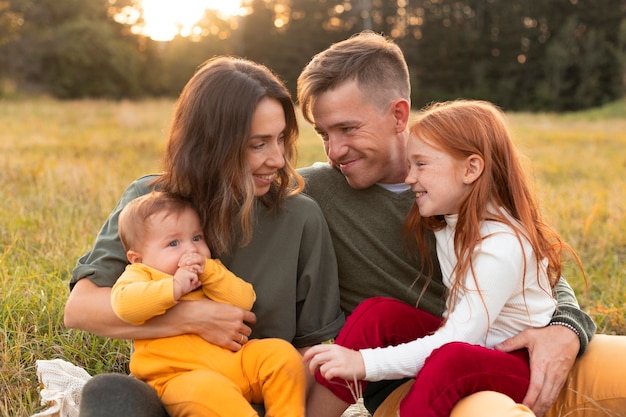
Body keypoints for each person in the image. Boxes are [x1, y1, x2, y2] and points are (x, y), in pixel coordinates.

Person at [296, 31, 625, 417]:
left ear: (399, 115)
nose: (334, 151)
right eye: (323, 133)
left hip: (508, 349)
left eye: (348, 129)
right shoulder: (316, 190)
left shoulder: (461, 194)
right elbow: (229, 187)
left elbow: (539, 270)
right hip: (422, 375)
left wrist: (565, 329)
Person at [64, 56, 345, 417]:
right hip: (176, 394)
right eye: (258, 144)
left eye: (280, 140)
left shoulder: (301, 218)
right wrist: (193, 317)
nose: (277, 159)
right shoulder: (153, 203)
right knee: (109, 393)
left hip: (260, 398)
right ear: (212, 145)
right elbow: (81, 309)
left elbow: (309, 351)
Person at [112, 191, 305, 416]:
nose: (191, 249)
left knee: (281, 354)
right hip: (181, 377)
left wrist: (211, 273)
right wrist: (173, 288)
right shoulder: (141, 273)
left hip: (237, 363)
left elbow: (245, 300)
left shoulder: (209, 271)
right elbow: (124, 306)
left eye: (197, 238)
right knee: (209, 392)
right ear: (138, 258)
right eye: (173, 243)